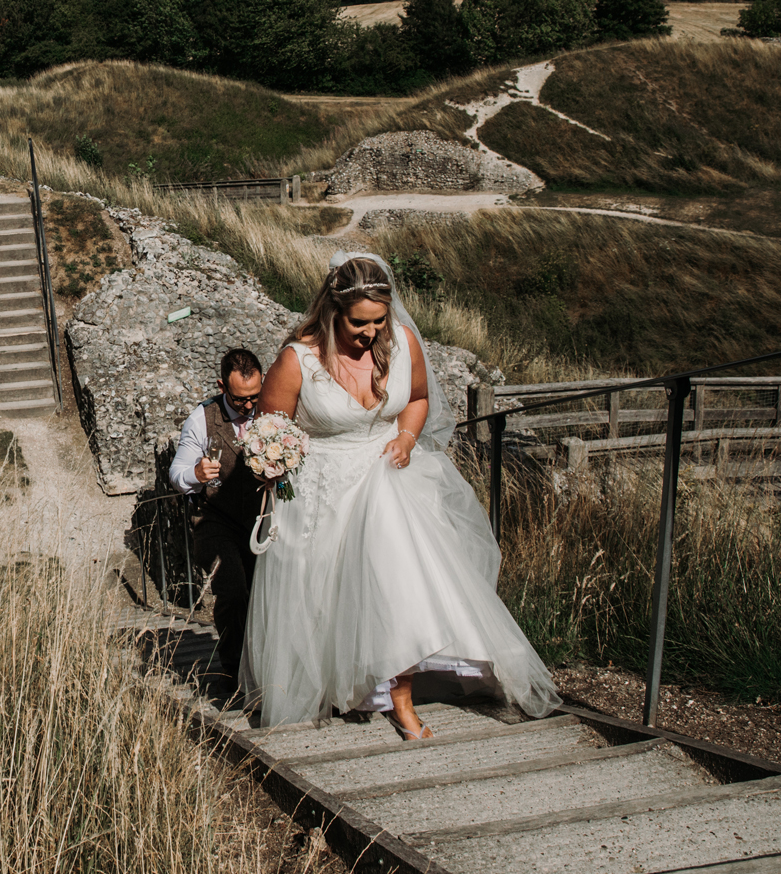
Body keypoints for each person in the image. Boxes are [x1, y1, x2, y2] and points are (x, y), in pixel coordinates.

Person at [240, 251, 559, 736]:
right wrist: (272, 462)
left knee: (395, 582)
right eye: (358, 323)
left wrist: (407, 438)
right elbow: (269, 428)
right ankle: (332, 684)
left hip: (387, 474)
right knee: (321, 594)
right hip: (321, 488)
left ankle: (402, 696)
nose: (371, 334)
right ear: (332, 309)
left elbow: (419, 399)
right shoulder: (297, 359)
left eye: (379, 321)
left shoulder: (403, 341)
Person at [168, 347, 266, 702]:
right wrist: (195, 474)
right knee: (233, 588)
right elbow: (177, 473)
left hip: (262, 519)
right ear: (222, 386)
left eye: (255, 395)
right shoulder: (201, 419)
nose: (248, 405)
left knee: (266, 593)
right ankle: (234, 670)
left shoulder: (270, 408)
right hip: (216, 521)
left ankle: (266, 668)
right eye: (240, 399)